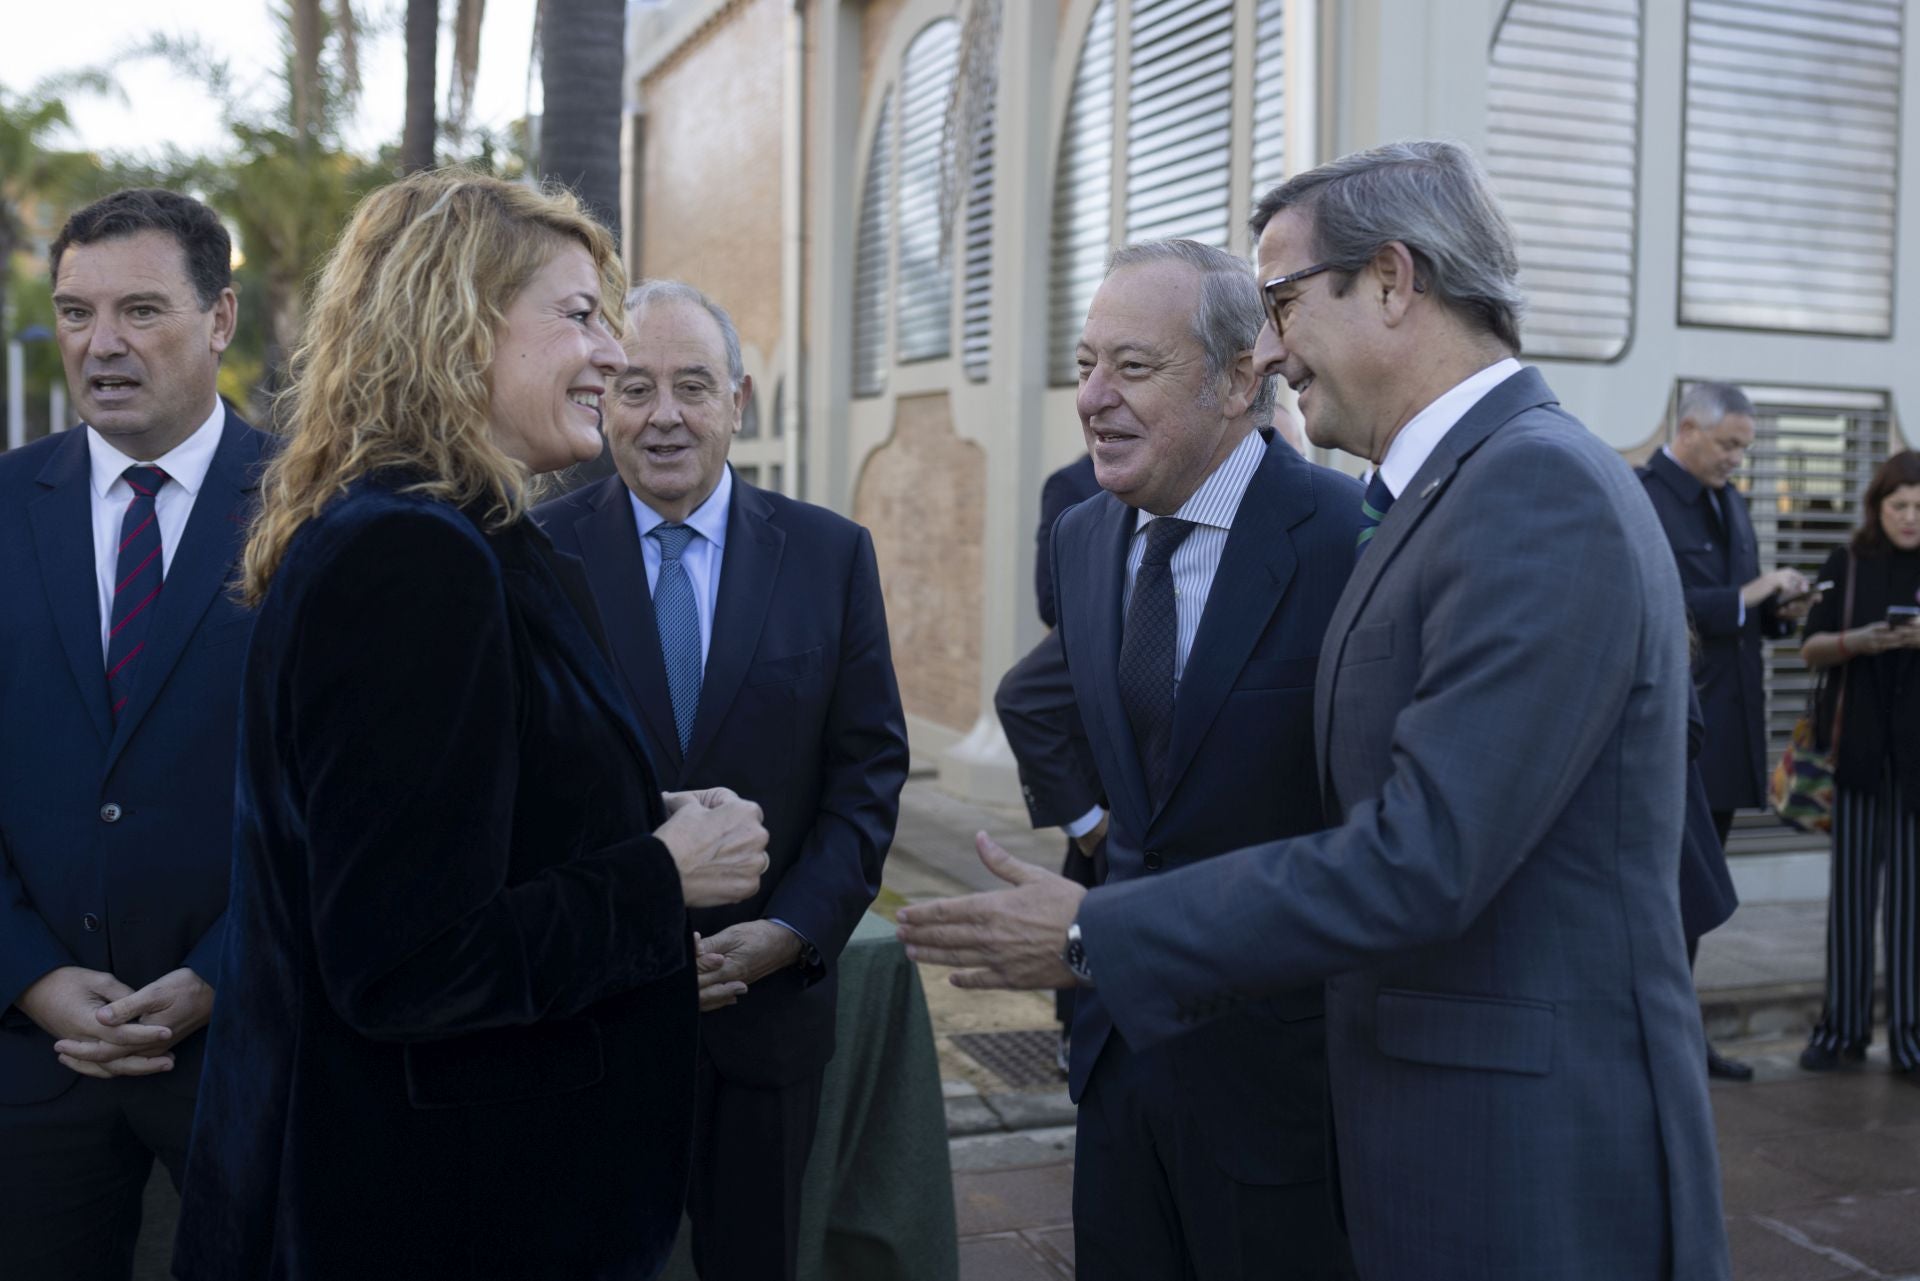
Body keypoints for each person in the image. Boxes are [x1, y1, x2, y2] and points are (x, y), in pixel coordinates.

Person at [898, 140, 1731, 1281]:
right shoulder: (1453, 488)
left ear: (1391, 281)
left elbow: (1425, 854)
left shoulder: (1531, 488)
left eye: (1284, 300)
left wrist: (1098, 933)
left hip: (1515, 1160)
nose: (1273, 347)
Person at [171, 171, 769, 1280]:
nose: (612, 354)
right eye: (581, 315)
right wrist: (661, 870)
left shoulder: (450, 535)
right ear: (457, 322)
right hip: (440, 1218)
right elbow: (407, 964)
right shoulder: (414, 557)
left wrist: (631, 812)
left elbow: (456, 821)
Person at [992, 239, 1360, 1279]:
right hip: (1117, 1058)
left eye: (1132, 367)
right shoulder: (1083, 537)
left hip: (1283, 1084)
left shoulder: (1349, 539)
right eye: (1084, 366)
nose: (1092, 399)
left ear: (1241, 379)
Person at [534, 279, 909, 1281]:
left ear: (737, 400)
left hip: (765, 1018)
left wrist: (790, 931)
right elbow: (519, 786)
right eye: (636, 387)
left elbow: (867, 773)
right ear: (603, 400)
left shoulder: (830, 554)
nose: (665, 415)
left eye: (693, 386)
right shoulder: (532, 556)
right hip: (591, 1019)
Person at [0, 188, 267, 1281]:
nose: (100, 343)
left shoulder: (315, 509)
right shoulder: (4, 507)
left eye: (141, 310)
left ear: (220, 318)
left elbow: (352, 800)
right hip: (34, 1060)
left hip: (249, 1050)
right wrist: (31, 976)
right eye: (76, 312)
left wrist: (218, 973)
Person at [1640, 381, 1815, 1079]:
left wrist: (1778, 611)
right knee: (1669, 895)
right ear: (1688, 429)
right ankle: (1663, 1040)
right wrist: (1748, 596)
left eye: (1745, 448)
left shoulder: (1731, 501)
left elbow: (1742, 608)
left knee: (1698, 897)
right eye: (1728, 445)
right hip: (1680, 730)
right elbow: (1657, 602)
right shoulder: (1644, 496)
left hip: (1731, 725)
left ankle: (1682, 1036)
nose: (1737, 460)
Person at [1796, 450, 1920, 1075]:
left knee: (1911, 905)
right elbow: (1809, 647)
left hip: (1917, 762)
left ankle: (1910, 1036)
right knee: (1850, 898)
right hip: (1856, 753)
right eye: (1900, 506)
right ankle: (1840, 1030)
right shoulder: (1846, 562)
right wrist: (1859, 641)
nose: (1911, 517)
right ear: (1877, 507)